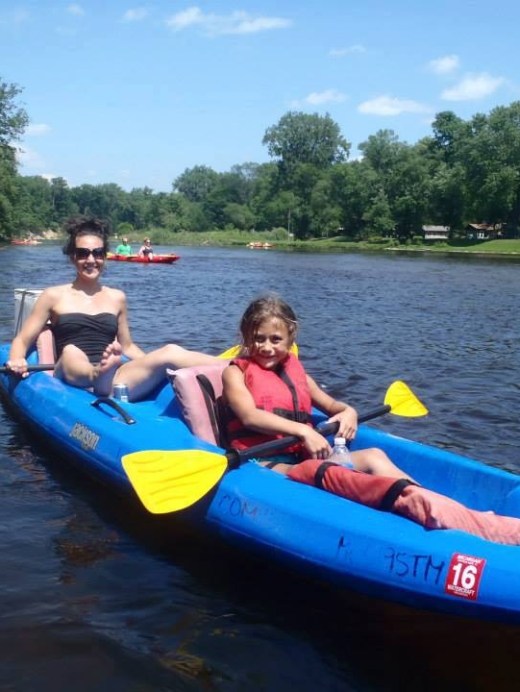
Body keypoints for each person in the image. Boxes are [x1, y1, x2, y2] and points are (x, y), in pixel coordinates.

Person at [6, 216, 218, 400]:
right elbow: (23, 339)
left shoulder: (117, 297)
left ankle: (233, 364)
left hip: (114, 375)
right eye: (83, 253)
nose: (91, 260)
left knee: (170, 351)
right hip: (70, 371)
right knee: (72, 351)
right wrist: (16, 359)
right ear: (73, 257)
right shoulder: (53, 295)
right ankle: (97, 375)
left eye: (97, 253)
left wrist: (151, 364)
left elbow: (127, 347)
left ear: (104, 256)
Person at [222, 294, 408, 478]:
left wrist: (349, 411)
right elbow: (250, 417)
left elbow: (332, 406)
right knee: (315, 471)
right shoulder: (235, 374)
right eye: (258, 338)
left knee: (374, 457)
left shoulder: (299, 377)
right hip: (258, 462)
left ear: (291, 337)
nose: (266, 347)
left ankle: (429, 503)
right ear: (246, 337)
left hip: (299, 458)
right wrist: (304, 431)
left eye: (275, 339)